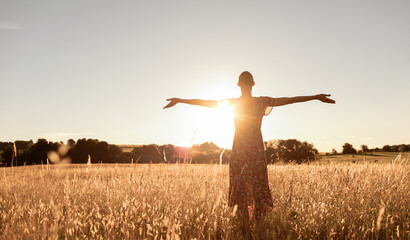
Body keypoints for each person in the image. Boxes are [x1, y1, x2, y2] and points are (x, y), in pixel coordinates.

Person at [163, 71, 335, 235]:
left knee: (240, 190)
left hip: (238, 151)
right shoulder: (261, 102)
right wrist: (315, 97)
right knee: (258, 188)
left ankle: (246, 231)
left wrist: (180, 100)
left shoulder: (233, 103)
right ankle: (258, 231)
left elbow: (205, 102)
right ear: (253, 84)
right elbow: (290, 100)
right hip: (256, 151)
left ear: (238, 84)